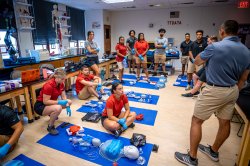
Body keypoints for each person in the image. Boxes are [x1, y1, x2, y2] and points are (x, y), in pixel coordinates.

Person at [175, 20, 250, 166]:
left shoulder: (215, 47)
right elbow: (244, 78)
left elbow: (197, 62)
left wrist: (208, 53)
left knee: (196, 121)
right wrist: (234, 90)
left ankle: (192, 158)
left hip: (214, 89)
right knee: (225, 122)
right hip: (233, 90)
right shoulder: (247, 51)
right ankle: (214, 151)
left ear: (222, 31)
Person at [34, 68, 72, 135]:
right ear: (56, 77)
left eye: (64, 79)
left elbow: (64, 97)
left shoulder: (61, 83)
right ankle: (50, 126)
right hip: (40, 106)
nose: (64, 80)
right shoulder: (49, 85)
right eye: (62, 79)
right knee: (58, 108)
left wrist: (67, 106)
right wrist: (59, 102)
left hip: (50, 103)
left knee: (69, 102)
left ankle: (52, 113)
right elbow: (45, 102)